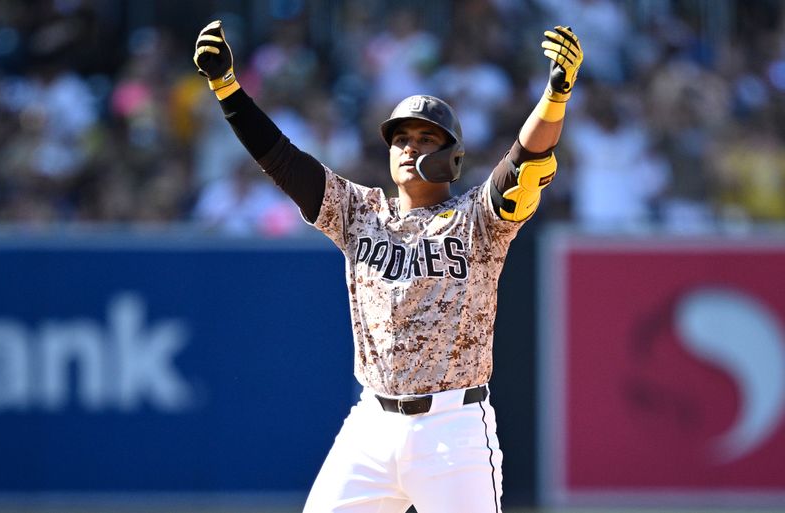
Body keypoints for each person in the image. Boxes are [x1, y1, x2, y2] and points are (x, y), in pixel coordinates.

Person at [194, 18, 582, 513]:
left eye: (425, 138)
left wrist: (555, 97)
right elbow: (285, 161)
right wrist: (228, 90)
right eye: (401, 138)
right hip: (371, 427)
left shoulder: (477, 220)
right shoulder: (358, 212)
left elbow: (524, 161)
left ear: (453, 159)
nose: (409, 147)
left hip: (452, 432)